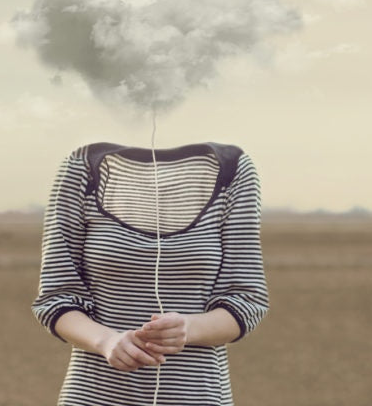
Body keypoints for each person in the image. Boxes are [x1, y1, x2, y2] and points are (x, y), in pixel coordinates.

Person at [31, 141, 270, 405]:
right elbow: (56, 297)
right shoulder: (82, 165)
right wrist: (106, 341)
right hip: (94, 396)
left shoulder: (232, 168)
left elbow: (247, 301)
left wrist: (188, 328)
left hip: (198, 397)